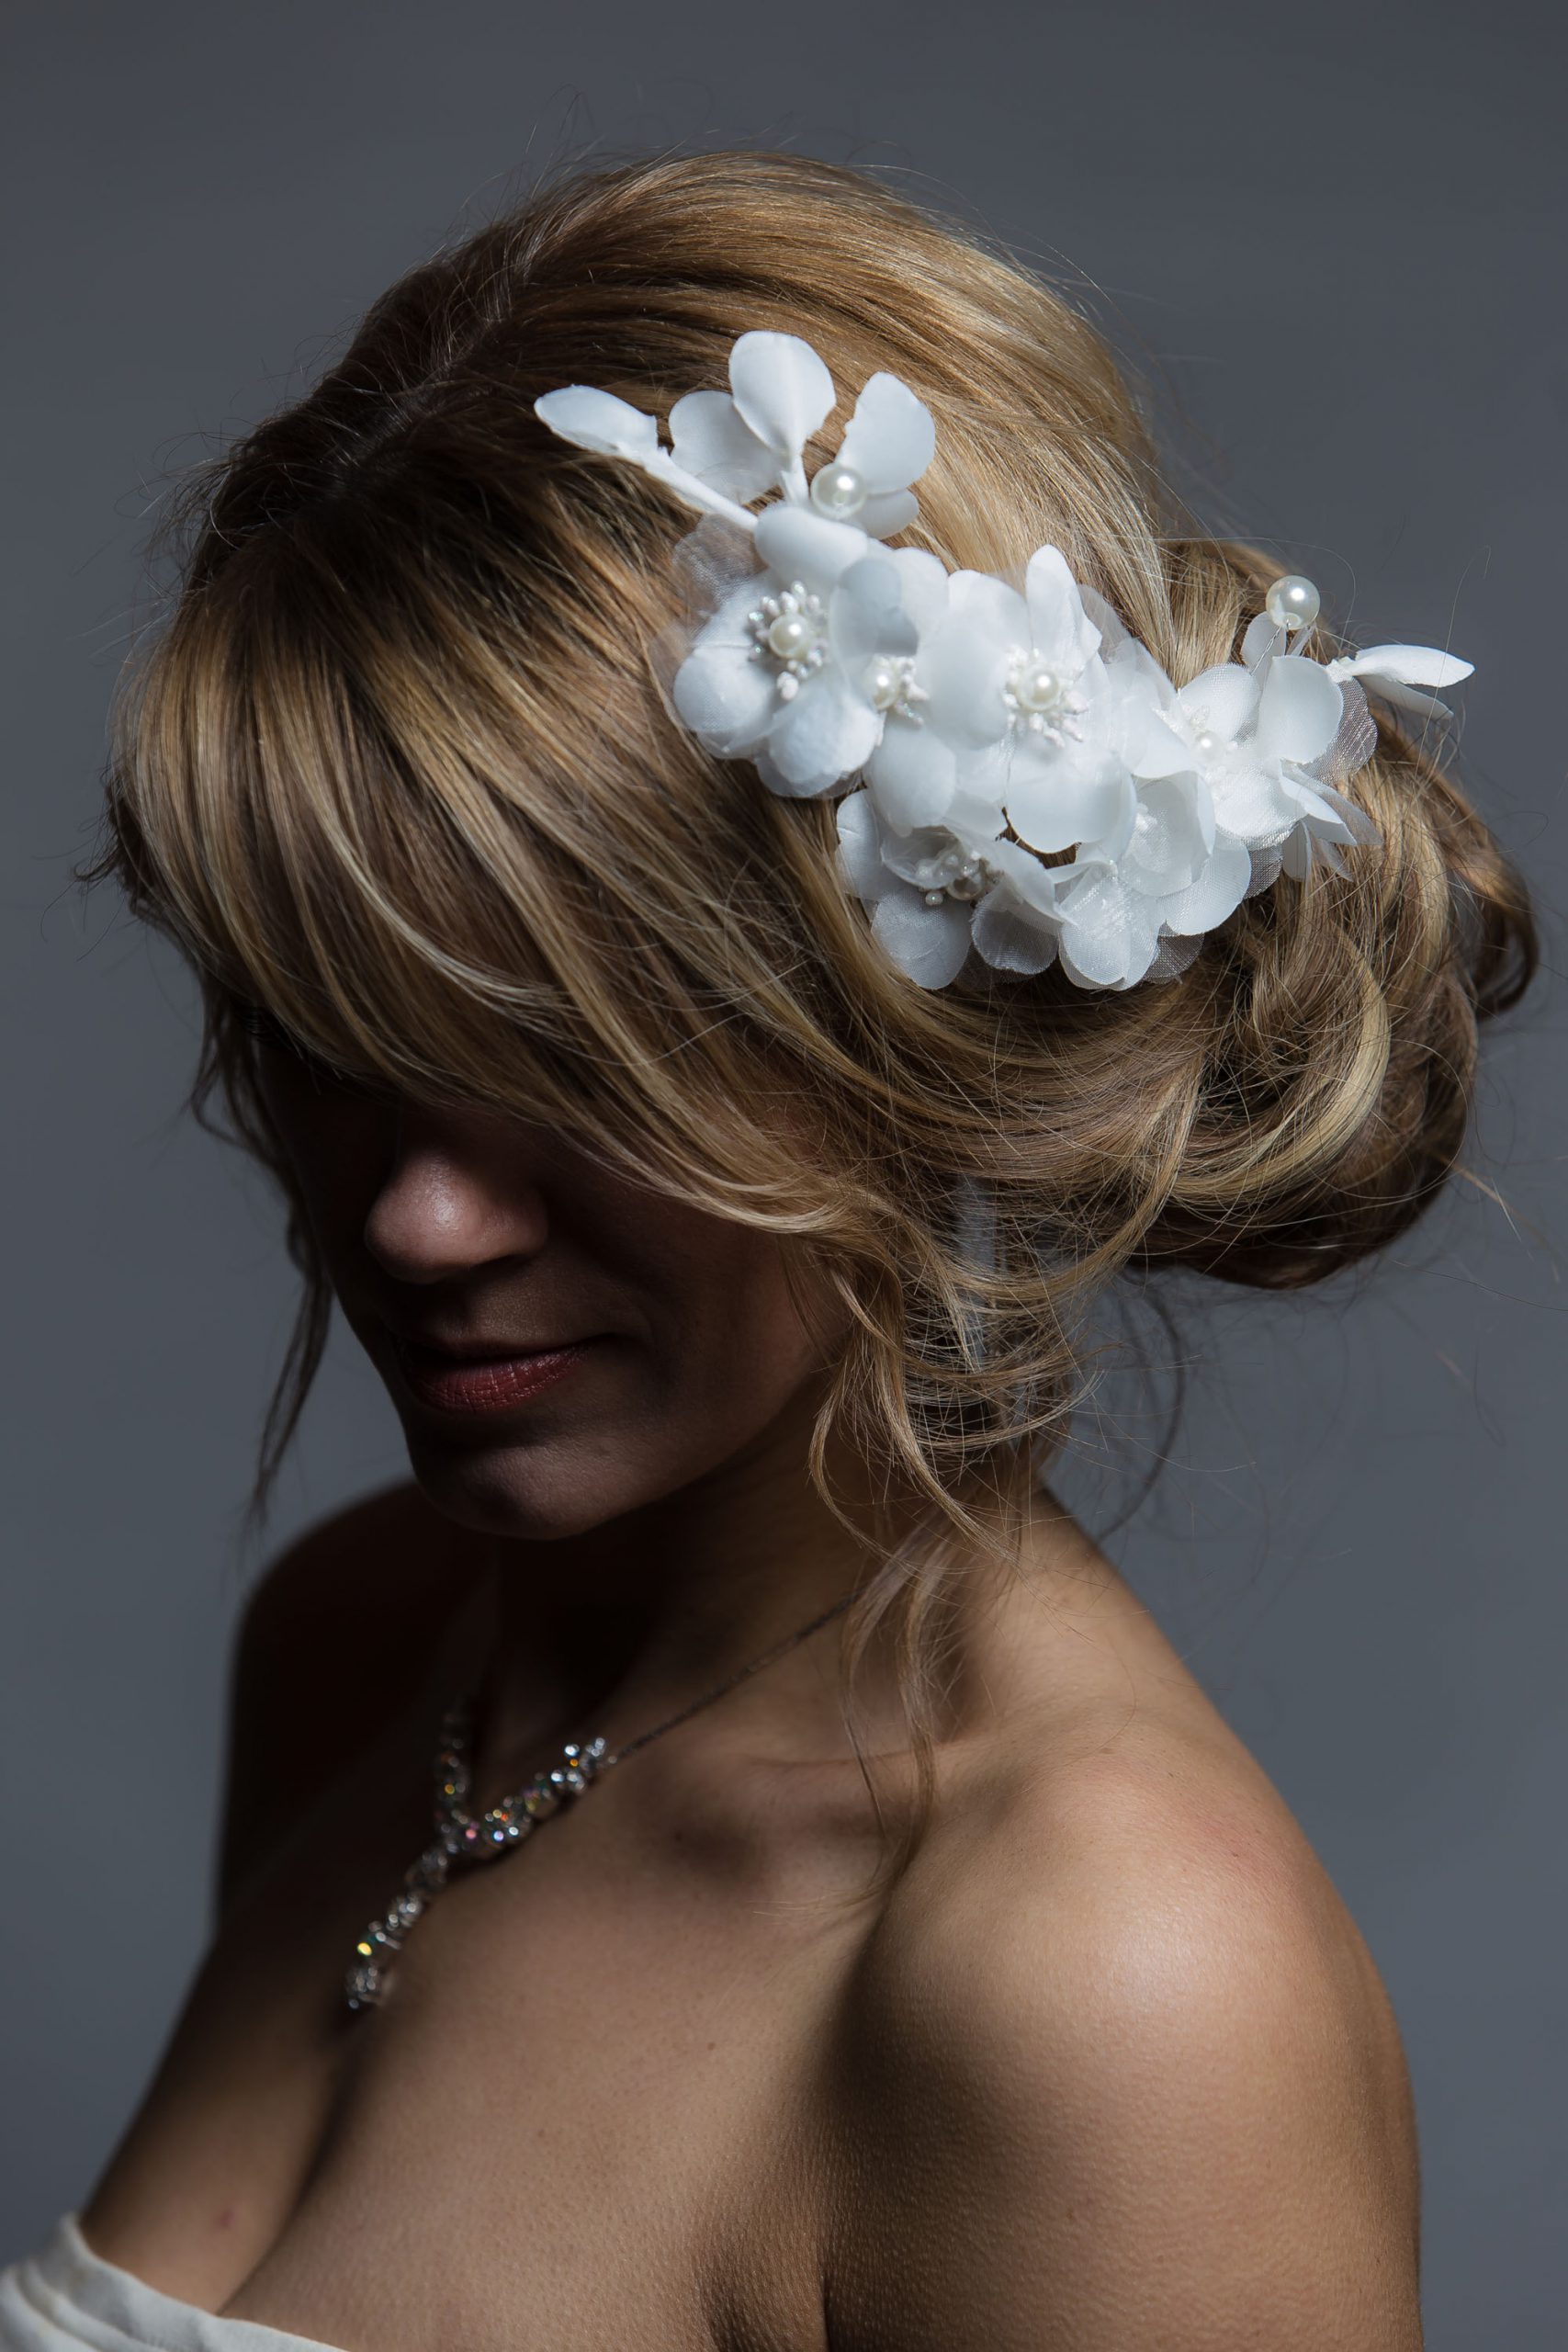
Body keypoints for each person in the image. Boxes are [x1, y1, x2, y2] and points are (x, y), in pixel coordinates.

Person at [0, 149, 1536, 2351]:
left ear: (907, 1025)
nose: (416, 1218)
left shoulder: (1100, 1980)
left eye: (579, 1059)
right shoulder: (363, 1646)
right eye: (333, 1038)